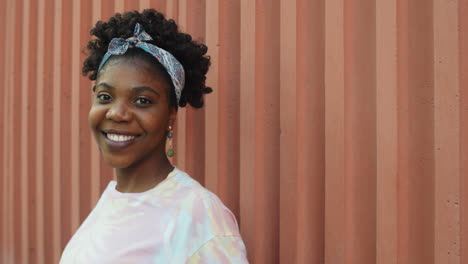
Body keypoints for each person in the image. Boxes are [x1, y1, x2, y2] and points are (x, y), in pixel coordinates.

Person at [59, 9, 248, 263]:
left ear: (171, 115)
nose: (117, 113)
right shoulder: (113, 200)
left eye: (142, 100)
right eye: (105, 96)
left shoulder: (199, 220)